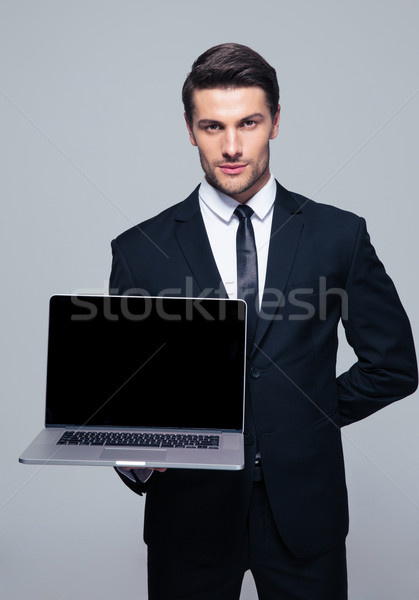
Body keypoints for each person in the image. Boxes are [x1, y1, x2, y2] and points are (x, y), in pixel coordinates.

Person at [109, 43, 417, 600]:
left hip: (305, 513)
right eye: (212, 126)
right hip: (188, 517)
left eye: (248, 123)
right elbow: (132, 393)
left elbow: (393, 366)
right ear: (189, 129)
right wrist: (137, 456)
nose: (231, 147)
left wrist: (307, 412)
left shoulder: (338, 236)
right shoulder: (139, 250)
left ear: (275, 121)